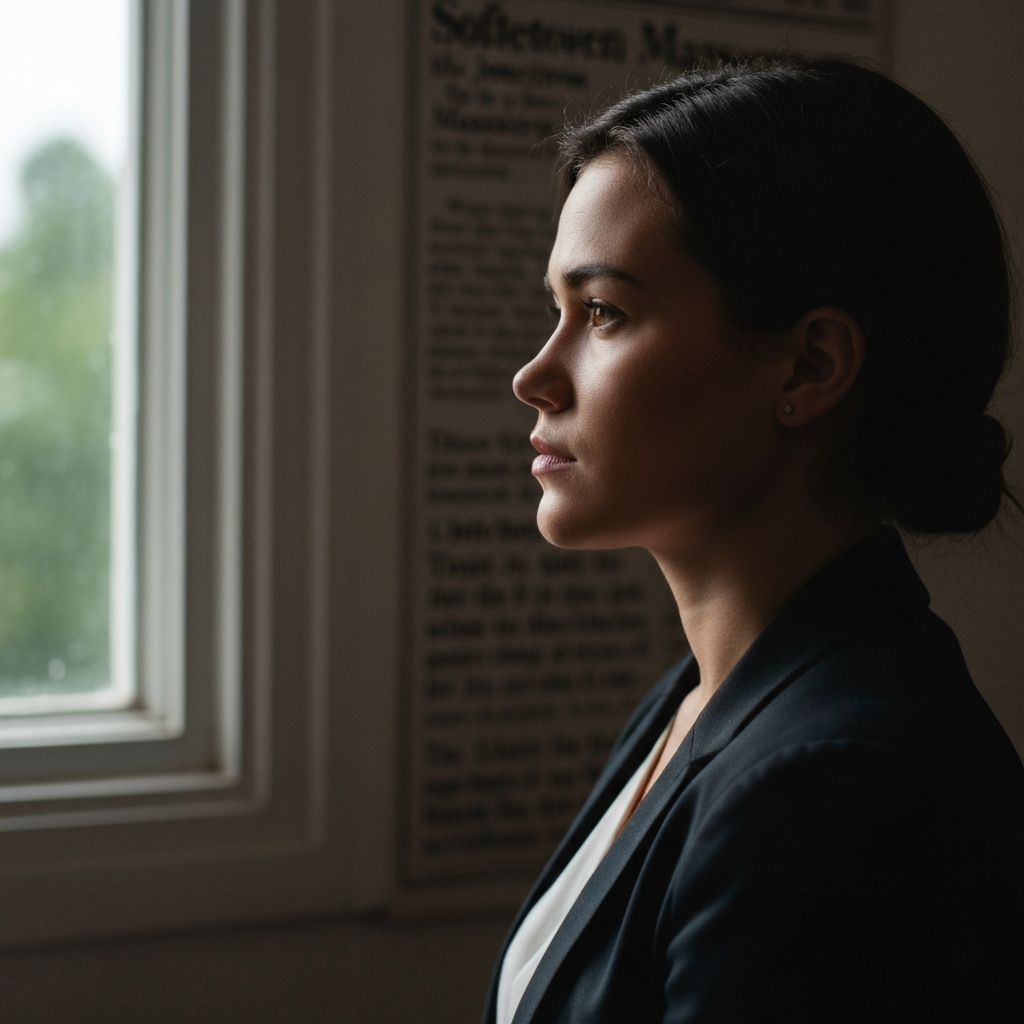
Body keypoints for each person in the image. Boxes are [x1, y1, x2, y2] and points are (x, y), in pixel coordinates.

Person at [483, 55, 1024, 1024]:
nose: (535, 373)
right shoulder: (699, 699)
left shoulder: (835, 779)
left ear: (809, 365)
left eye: (601, 311)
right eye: (554, 310)